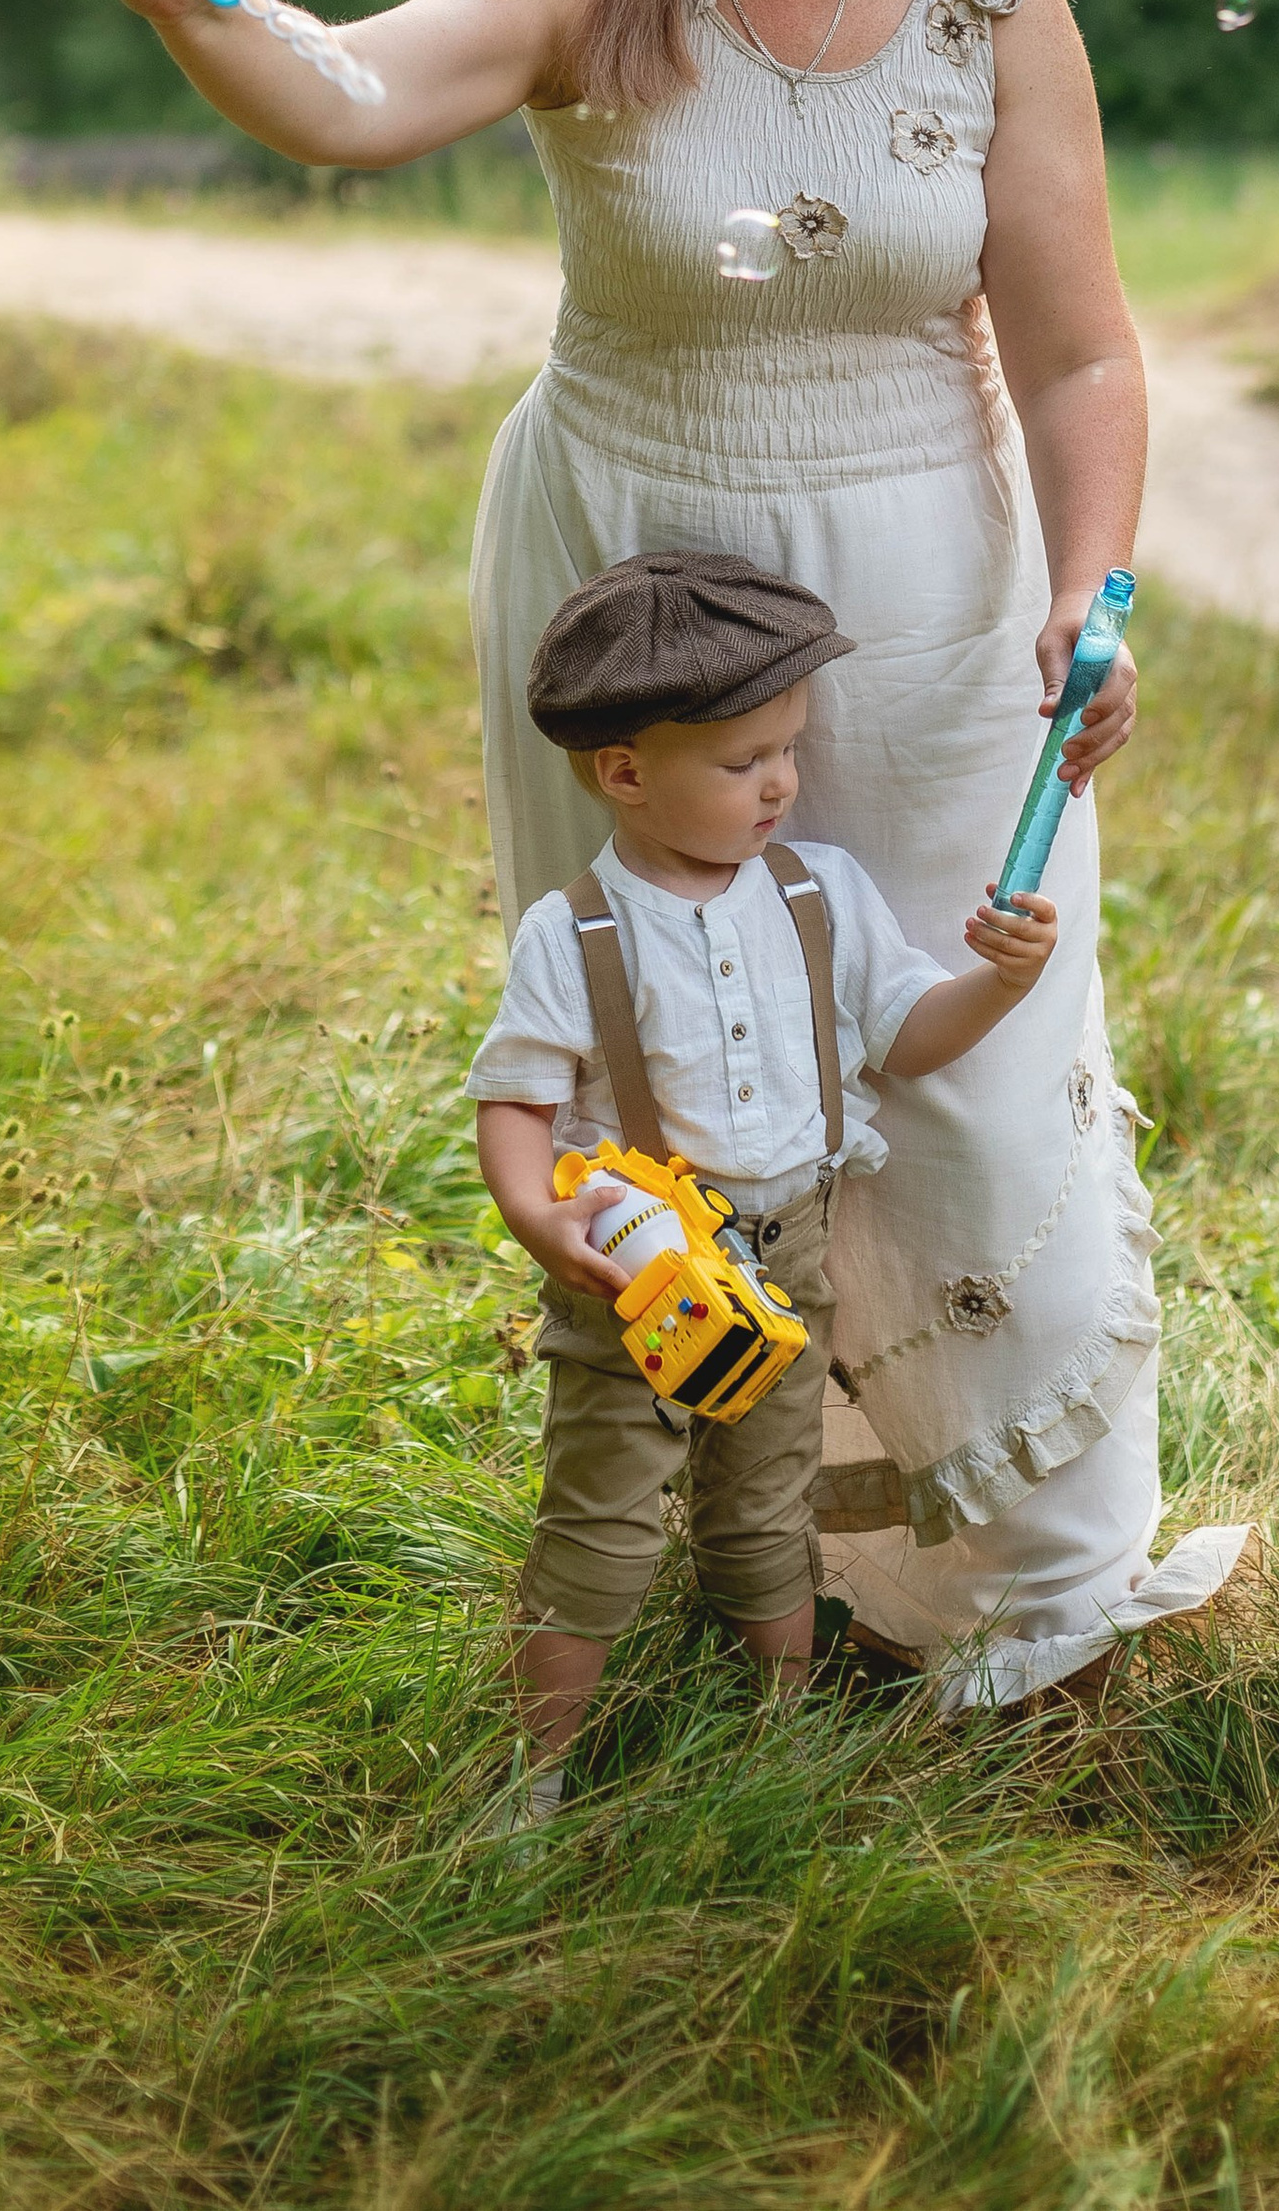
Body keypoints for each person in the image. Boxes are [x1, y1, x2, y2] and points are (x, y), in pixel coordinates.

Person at [100, 0, 1248, 1703]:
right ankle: (760, 1579)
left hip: (921, 577)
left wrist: (1087, 597)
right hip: (632, 562)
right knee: (684, 1064)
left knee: (959, 1051)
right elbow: (348, 96)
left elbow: (1085, 346)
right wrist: (199, 7)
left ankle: (1030, 1588)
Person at [467, 549, 1059, 1822]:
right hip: (639, 1273)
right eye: (744, 762)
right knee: (602, 1520)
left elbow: (904, 1034)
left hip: (787, 1262)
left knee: (768, 1510)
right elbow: (513, 1094)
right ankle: (535, 1776)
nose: (782, 781)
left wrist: (999, 985)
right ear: (624, 773)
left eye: (788, 749)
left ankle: (777, 1735)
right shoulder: (573, 931)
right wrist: (536, 1213)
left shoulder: (820, 893)